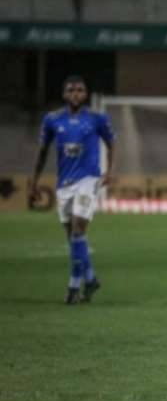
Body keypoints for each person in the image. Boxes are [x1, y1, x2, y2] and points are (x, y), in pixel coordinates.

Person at [28, 75, 115, 304]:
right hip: (64, 184)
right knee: (74, 237)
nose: (75, 93)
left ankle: (73, 288)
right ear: (65, 94)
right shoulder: (52, 119)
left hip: (88, 179)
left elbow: (111, 142)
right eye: (71, 90)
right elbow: (42, 150)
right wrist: (34, 182)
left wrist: (109, 171)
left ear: (85, 94)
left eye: (80, 90)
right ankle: (90, 278)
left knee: (77, 228)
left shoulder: (97, 119)